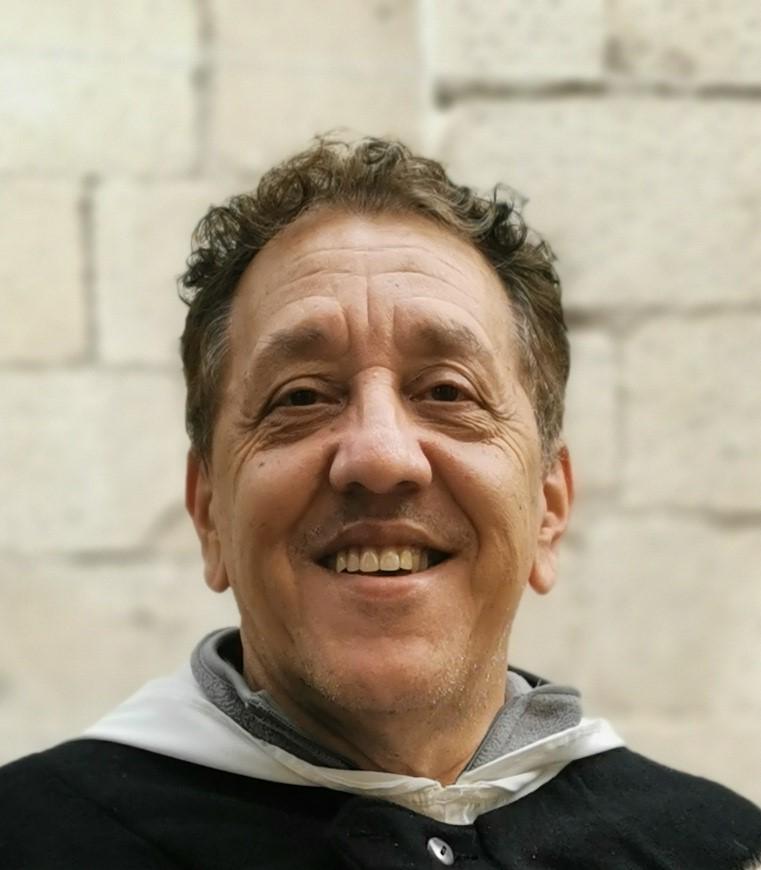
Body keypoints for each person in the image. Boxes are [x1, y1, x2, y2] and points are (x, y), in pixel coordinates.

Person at [1, 137, 759, 869]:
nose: (379, 456)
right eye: (300, 397)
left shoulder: (720, 852)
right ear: (209, 516)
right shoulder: (31, 841)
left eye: (447, 393)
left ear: (548, 507)